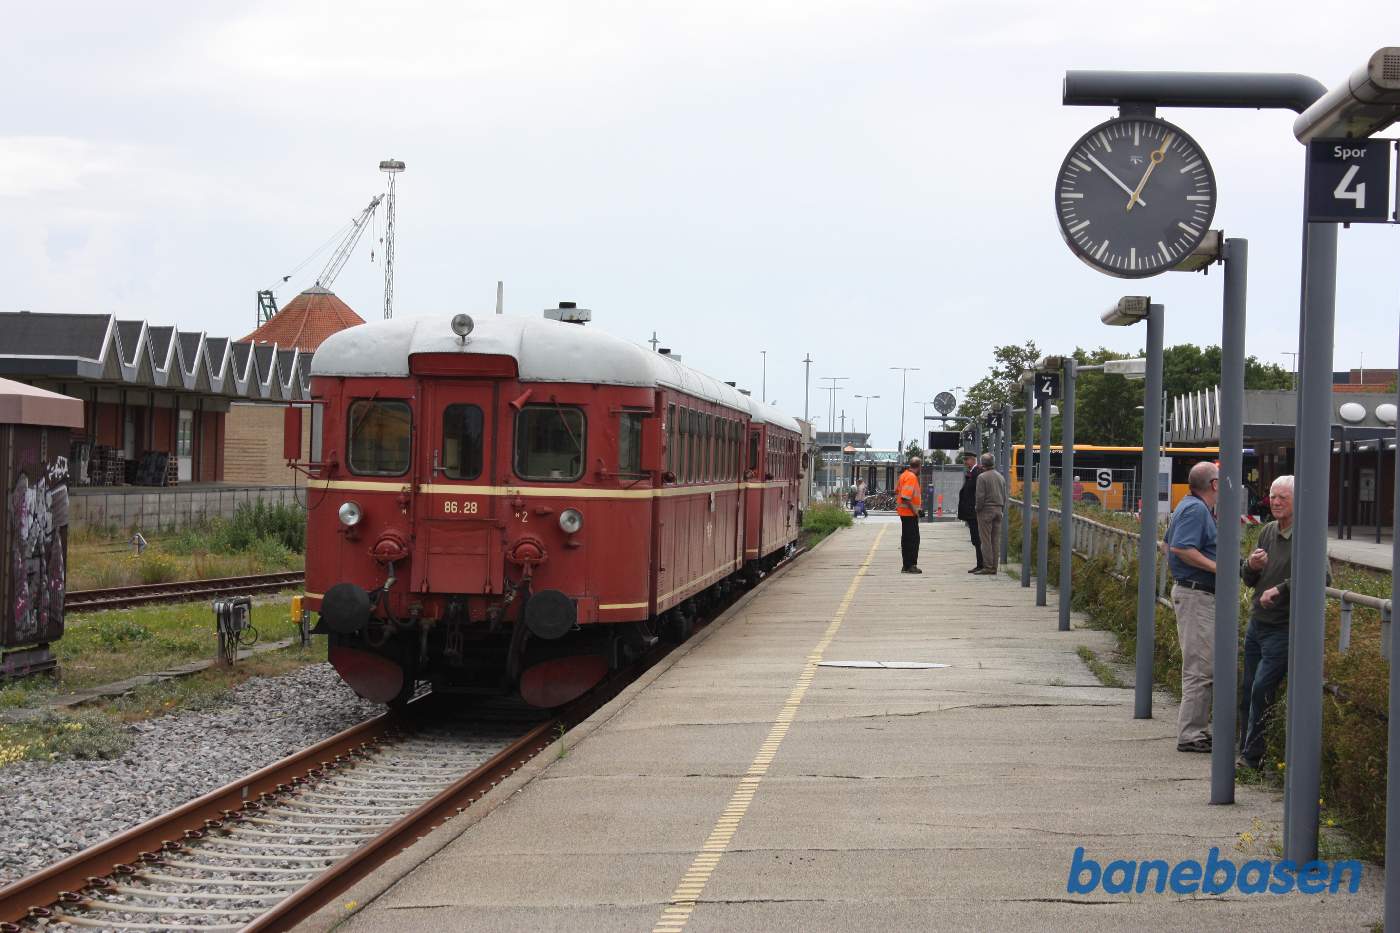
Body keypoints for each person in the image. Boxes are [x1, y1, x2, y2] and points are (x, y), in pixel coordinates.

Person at [1238, 476, 1323, 770]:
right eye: (1272, 496)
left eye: (1282, 498)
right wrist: (1251, 566)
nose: (1274, 502)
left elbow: (1322, 577)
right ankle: (1245, 748)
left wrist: (1282, 588)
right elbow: (1249, 580)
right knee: (1248, 686)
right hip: (1258, 622)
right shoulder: (1267, 532)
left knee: (1262, 687)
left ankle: (1253, 756)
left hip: (1283, 627)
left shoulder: (1308, 534)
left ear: (1297, 502)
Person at [1165, 461, 1219, 754]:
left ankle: (1198, 728)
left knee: (1202, 665)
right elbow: (1180, 548)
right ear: (1213, 485)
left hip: (1194, 592)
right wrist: (1216, 567)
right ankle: (1191, 733)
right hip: (1197, 594)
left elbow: (1167, 545)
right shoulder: (1196, 510)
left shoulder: (1188, 507)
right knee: (1200, 667)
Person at [974, 452, 1007, 574]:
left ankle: (987, 566)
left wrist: (977, 508)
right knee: (995, 539)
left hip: (986, 511)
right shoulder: (1000, 477)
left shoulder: (982, 477)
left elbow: (980, 497)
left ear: (983, 464)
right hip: (998, 510)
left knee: (985, 540)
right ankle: (994, 566)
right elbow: (1004, 496)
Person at [957, 451, 985, 573]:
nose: (965, 462)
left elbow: (977, 493)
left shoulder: (977, 472)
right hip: (971, 513)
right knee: (975, 539)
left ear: (973, 459)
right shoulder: (972, 472)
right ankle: (980, 564)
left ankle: (981, 564)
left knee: (977, 539)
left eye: (966, 459)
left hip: (974, 513)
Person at [896, 456, 923, 573]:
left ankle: (905, 565)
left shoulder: (903, 475)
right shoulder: (912, 477)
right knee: (913, 540)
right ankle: (911, 565)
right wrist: (915, 511)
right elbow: (906, 498)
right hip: (909, 514)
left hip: (903, 513)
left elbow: (897, 491)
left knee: (906, 539)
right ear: (919, 466)